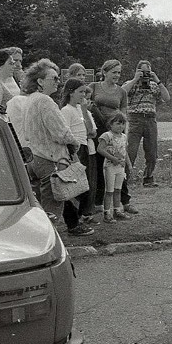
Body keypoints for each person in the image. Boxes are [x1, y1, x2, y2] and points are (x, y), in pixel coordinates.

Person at [21, 59, 80, 223]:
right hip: (50, 159)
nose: (58, 82)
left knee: (40, 208)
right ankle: (50, 243)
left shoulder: (30, 99)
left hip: (35, 158)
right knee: (52, 210)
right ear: (40, 81)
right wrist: (75, 142)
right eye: (53, 78)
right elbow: (61, 132)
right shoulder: (45, 101)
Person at [89, 59, 137, 216]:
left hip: (114, 131)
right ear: (104, 72)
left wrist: (124, 134)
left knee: (117, 165)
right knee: (98, 166)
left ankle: (124, 201)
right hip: (97, 129)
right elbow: (86, 105)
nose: (117, 75)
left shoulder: (121, 92)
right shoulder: (94, 87)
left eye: (119, 72)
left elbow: (124, 115)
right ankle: (97, 202)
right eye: (114, 72)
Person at [59, 78, 99, 234]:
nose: (83, 95)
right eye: (80, 92)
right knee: (76, 186)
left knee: (86, 184)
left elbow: (92, 132)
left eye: (85, 92)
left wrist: (84, 112)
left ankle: (81, 216)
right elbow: (66, 132)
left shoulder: (84, 110)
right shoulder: (66, 110)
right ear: (71, 92)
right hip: (75, 149)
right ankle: (73, 221)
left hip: (86, 147)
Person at [122, 60, 170, 188]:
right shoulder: (130, 83)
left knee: (152, 151)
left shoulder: (154, 85)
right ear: (137, 71)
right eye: (142, 72)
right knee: (131, 150)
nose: (145, 75)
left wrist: (157, 80)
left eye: (147, 72)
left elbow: (167, 98)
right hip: (135, 119)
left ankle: (148, 177)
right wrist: (135, 80)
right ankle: (124, 179)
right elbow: (121, 93)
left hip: (150, 118)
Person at [97, 111, 133, 223]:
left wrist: (129, 164)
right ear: (111, 124)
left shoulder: (124, 137)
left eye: (122, 124)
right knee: (110, 190)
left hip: (120, 167)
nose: (120, 126)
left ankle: (117, 210)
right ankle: (107, 212)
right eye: (118, 123)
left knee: (118, 189)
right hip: (110, 166)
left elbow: (124, 151)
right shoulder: (107, 136)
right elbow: (100, 149)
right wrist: (112, 158)